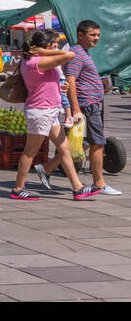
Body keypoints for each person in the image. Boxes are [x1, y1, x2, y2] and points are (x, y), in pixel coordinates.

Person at [34, 20, 120, 196]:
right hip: (86, 105)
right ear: (80, 35)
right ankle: (99, 184)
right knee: (98, 143)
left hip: (91, 103)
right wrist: (76, 109)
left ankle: (47, 169)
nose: (96, 38)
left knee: (81, 145)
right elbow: (71, 80)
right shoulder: (76, 54)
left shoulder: (83, 53)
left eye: (98, 35)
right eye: (92, 35)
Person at [8, 29, 95, 200]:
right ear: (46, 46)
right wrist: (43, 52)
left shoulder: (38, 60)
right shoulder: (36, 61)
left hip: (51, 110)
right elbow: (69, 55)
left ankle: (77, 188)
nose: (57, 46)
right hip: (41, 111)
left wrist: (57, 87)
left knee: (65, 148)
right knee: (30, 151)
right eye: (55, 44)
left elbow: (44, 81)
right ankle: (18, 188)